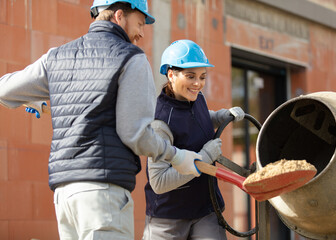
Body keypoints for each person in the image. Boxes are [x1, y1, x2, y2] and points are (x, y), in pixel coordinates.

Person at [0, 2, 212, 239]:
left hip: (65, 195)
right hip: (104, 193)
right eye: (140, 23)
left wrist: (36, 99)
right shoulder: (131, 58)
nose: (141, 33)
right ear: (119, 15)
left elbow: (4, 90)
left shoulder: (56, 56)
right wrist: (177, 156)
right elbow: (136, 134)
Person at [142, 39, 245, 240]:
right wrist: (204, 157)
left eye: (202, 77)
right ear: (171, 74)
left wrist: (221, 116)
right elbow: (159, 182)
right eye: (190, 76)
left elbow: (199, 118)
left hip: (205, 210)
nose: (198, 84)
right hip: (168, 219)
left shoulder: (196, 98)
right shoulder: (161, 122)